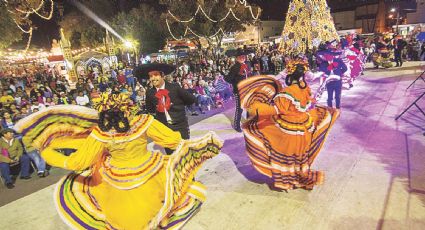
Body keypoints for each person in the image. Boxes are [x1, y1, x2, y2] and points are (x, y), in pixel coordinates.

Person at [14, 93, 222, 229]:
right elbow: (174, 140)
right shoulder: (144, 122)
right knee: (161, 206)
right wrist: (185, 153)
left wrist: (50, 155)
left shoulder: (101, 134)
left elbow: (79, 162)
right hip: (150, 170)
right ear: (128, 107)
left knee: (124, 220)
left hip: (117, 180)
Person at [239, 60, 339, 191]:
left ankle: (288, 181)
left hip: (289, 132)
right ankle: (300, 178)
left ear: (289, 75)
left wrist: (256, 108)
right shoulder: (305, 88)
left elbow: (275, 110)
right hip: (304, 129)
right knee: (299, 157)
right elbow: (310, 102)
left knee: (272, 145)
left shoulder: (287, 93)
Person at [142, 63, 197, 154]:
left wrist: (178, 106)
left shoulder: (175, 88)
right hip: (165, 129)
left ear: (162, 76)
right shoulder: (150, 93)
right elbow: (150, 109)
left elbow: (191, 100)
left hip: (180, 126)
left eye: (155, 75)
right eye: (151, 76)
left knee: (184, 152)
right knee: (171, 155)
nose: (153, 78)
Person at [225, 48, 253, 132]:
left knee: (249, 107)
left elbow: (249, 75)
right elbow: (228, 79)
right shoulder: (234, 67)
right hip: (239, 91)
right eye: (240, 56)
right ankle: (236, 125)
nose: (242, 57)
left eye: (243, 56)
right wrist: (236, 83)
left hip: (247, 89)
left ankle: (249, 122)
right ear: (237, 57)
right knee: (239, 109)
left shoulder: (247, 64)